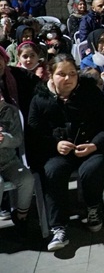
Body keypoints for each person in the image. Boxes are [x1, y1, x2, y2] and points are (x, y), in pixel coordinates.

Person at [28, 54, 104, 251]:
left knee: (93, 168)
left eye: (72, 74)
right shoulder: (40, 99)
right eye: (61, 74)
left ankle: (92, 207)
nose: (68, 79)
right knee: (53, 171)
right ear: (50, 75)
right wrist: (55, 145)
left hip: (91, 148)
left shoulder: (90, 93)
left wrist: (94, 145)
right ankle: (58, 226)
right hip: (57, 154)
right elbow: (34, 135)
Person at [0, 97, 34, 231]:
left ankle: (21, 215)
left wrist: (4, 139)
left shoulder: (10, 111)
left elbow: (18, 139)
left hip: (9, 161)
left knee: (26, 179)